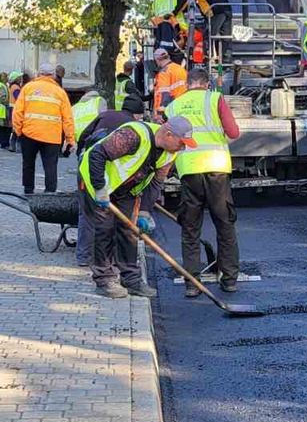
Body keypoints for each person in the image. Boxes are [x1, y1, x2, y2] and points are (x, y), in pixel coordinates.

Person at [81, 116, 196, 299]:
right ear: (168, 134)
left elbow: (156, 183)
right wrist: (100, 187)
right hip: (97, 181)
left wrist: (144, 211)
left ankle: (131, 280)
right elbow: (97, 154)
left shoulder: (169, 153)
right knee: (104, 230)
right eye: (181, 143)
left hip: (127, 189)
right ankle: (104, 280)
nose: (183, 147)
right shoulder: (133, 135)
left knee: (128, 231)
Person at [170, 67, 241, 295]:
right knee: (225, 225)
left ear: (187, 84)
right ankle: (229, 280)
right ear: (207, 84)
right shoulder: (215, 98)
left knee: (190, 229)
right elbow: (233, 132)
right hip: (216, 169)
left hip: (189, 171)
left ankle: (192, 284)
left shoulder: (174, 106)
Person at [74, 92, 141, 268]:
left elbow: (83, 137)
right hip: (106, 173)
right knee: (105, 217)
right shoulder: (134, 127)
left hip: (87, 166)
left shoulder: (106, 114)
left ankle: (84, 256)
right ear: (138, 114)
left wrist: (80, 156)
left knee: (86, 214)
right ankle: (110, 258)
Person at [12, 60, 75, 194]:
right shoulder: (60, 92)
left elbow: (17, 112)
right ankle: (50, 191)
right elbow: (68, 118)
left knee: (28, 164)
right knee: (50, 166)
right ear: (53, 76)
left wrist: (18, 131)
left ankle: (28, 190)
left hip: (29, 133)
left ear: (39, 74)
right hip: (52, 136)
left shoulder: (27, 88)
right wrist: (70, 139)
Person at [151, 47, 188, 121]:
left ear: (157, 60)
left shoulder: (164, 72)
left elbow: (164, 93)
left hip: (169, 112)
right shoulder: (180, 69)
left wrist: (160, 114)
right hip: (183, 108)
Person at [7, 72, 25, 152]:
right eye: (19, 77)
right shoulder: (16, 87)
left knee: (15, 127)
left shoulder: (12, 86)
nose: (21, 79)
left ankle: (12, 145)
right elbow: (18, 98)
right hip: (15, 108)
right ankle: (16, 146)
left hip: (12, 107)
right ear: (16, 79)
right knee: (18, 127)